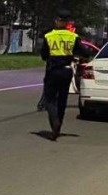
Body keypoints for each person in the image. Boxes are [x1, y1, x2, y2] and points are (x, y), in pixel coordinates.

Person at [40, 10, 92, 140]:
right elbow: (86, 53)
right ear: (67, 22)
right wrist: (75, 56)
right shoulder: (73, 37)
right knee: (62, 100)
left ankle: (55, 122)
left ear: (56, 21)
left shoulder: (49, 36)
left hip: (52, 71)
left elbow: (44, 55)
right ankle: (58, 127)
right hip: (66, 71)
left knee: (49, 99)